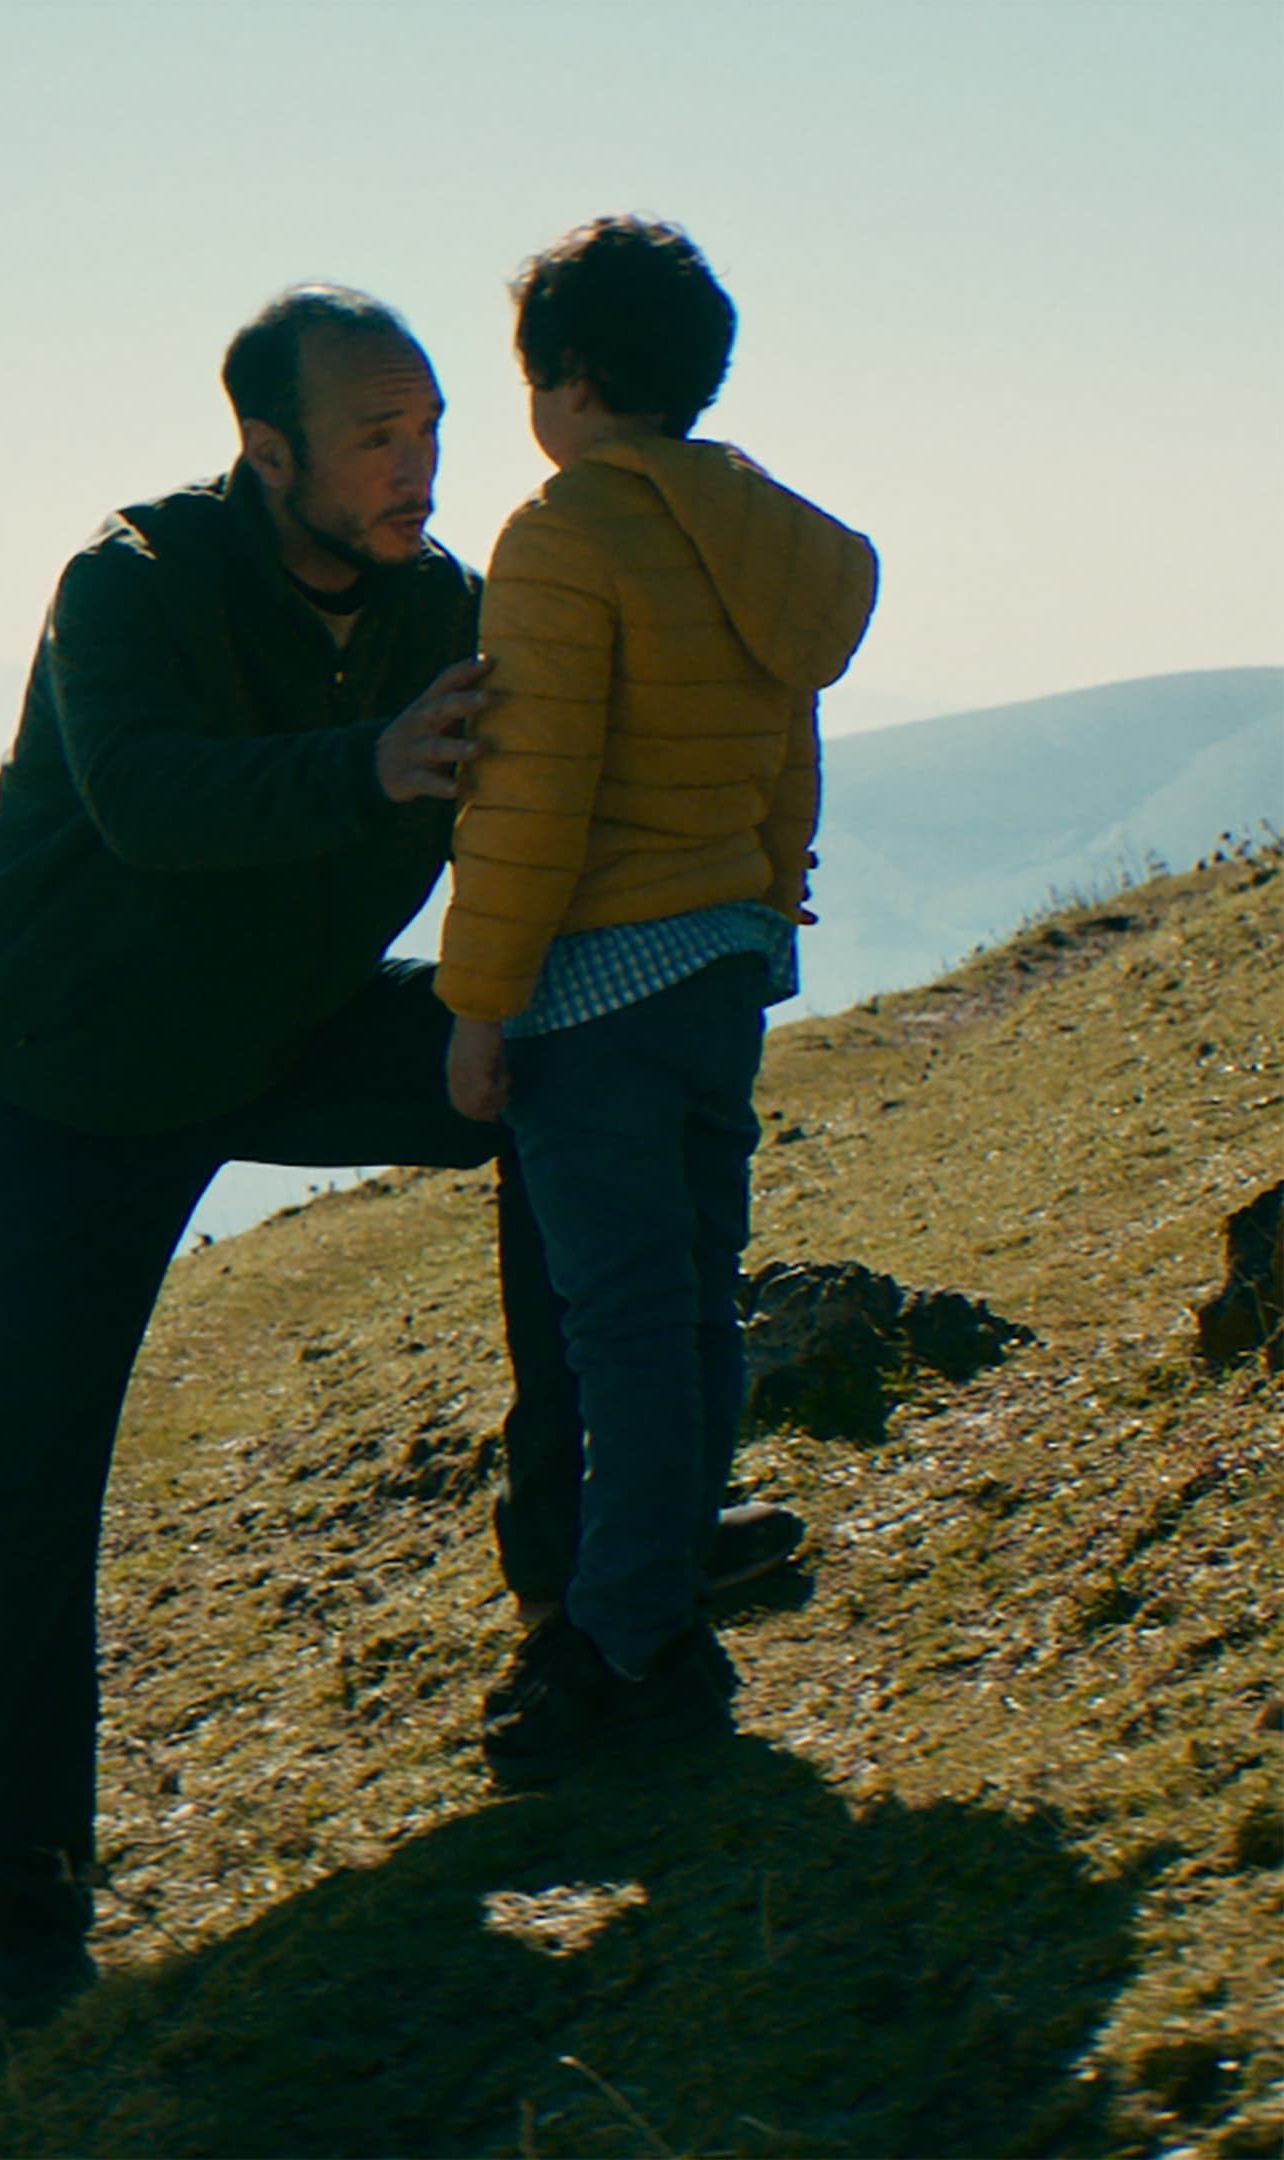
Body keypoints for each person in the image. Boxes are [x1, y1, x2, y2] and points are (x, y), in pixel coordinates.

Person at [0, 284, 558, 2045]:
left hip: (281, 1031)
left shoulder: (442, 602)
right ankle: (27, 1893)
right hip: (61, 1069)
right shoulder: (131, 578)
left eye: (430, 421)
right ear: (265, 449)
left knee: (577, 1073)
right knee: (36, 1480)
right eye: (374, 433)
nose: (419, 459)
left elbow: (542, 791)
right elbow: (147, 798)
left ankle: (581, 1594)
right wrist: (367, 763)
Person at [438, 217, 875, 1784]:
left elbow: (527, 796)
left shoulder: (563, 538)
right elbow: (786, 739)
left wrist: (479, 1003)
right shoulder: (764, 541)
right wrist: (769, 884)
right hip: (722, 965)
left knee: (619, 1319)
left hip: (596, 991)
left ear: (562, 381)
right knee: (692, 1294)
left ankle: (630, 1644)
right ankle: (668, 1568)